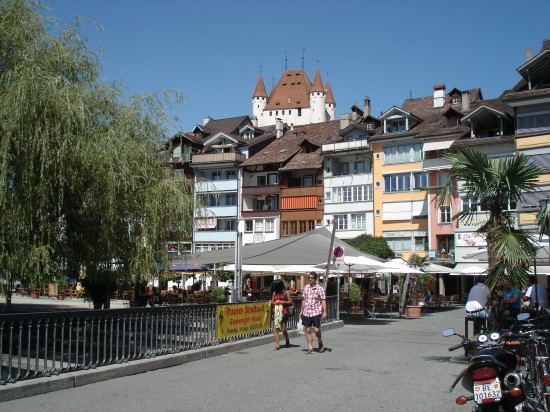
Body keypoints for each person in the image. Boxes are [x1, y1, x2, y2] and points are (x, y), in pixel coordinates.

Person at [299, 272, 327, 354]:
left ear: (315, 279)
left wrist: (324, 311)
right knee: (307, 330)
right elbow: (304, 300)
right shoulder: (306, 288)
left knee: (316, 329)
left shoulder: (320, 288)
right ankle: (310, 347)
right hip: (307, 311)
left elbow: (323, 300)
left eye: (311, 278)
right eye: (309, 277)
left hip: (316, 311)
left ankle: (319, 340)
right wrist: (301, 311)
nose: (310, 279)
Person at [271, 279, 292, 350]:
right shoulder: (274, 293)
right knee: (276, 328)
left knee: (283, 330)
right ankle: (277, 345)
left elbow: (290, 302)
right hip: (276, 312)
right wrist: (275, 303)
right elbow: (272, 302)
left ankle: (287, 339)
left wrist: (281, 302)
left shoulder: (286, 292)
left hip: (284, 312)